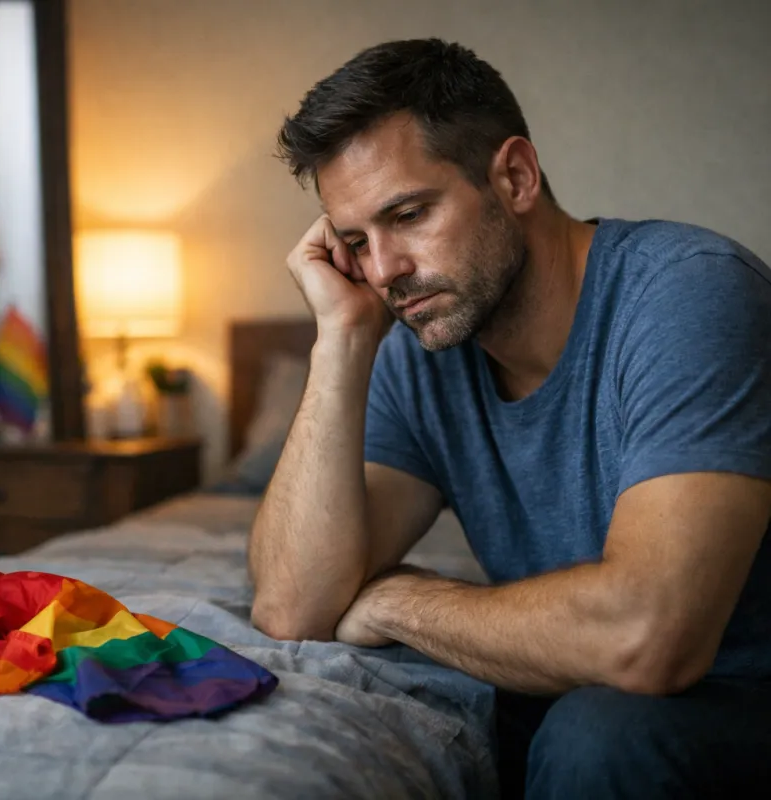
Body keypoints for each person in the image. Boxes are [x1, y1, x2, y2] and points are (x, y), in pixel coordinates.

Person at [251, 38, 771, 799]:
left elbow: (647, 638)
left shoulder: (686, 294)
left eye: (409, 214)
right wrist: (343, 339)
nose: (386, 270)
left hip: (739, 692)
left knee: (595, 736)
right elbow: (293, 604)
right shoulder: (419, 347)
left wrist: (400, 600)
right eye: (358, 241)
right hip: (580, 686)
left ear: (516, 177)